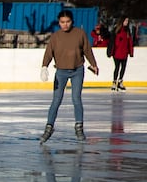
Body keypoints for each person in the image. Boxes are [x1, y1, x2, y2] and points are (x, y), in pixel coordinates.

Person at [39, 9, 99, 143]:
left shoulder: (80, 33)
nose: (65, 24)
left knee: (76, 99)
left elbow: (87, 50)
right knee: (56, 101)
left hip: (77, 70)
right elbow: (49, 52)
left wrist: (93, 64)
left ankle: (79, 127)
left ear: (72, 21)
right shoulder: (56, 36)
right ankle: (49, 127)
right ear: (59, 23)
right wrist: (44, 66)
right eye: (62, 22)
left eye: (68, 22)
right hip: (61, 72)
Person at [110, 16, 134, 92]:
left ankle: (120, 82)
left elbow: (130, 42)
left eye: (127, 21)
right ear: (122, 21)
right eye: (125, 21)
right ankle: (114, 82)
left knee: (123, 68)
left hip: (124, 53)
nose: (126, 22)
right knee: (117, 67)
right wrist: (111, 52)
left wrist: (131, 52)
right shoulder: (116, 30)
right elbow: (112, 42)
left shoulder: (127, 31)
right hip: (116, 53)